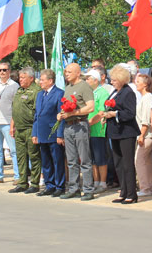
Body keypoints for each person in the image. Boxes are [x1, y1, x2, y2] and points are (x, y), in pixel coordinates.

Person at [102, 65, 140, 204]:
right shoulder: (114, 92)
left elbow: (130, 113)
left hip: (126, 132)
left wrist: (114, 114)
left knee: (127, 163)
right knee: (118, 162)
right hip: (115, 131)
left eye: (114, 80)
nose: (112, 82)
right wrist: (105, 114)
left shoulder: (128, 92)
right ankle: (123, 191)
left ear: (121, 79)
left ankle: (131, 193)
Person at [58, 63, 95, 200]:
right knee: (71, 159)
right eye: (66, 72)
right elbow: (65, 108)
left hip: (80, 125)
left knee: (84, 159)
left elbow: (90, 107)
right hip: (68, 125)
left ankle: (88, 189)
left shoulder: (84, 86)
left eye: (69, 72)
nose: (66, 74)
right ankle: (73, 188)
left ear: (77, 73)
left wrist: (74, 112)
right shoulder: (68, 88)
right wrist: (61, 114)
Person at [31, 69, 65, 196]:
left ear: (50, 81)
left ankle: (59, 186)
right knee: (45, 161)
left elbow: (61, 116)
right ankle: (49, 185)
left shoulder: (59, 93)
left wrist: (60, 134)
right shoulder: (40, 94)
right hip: (42, 132)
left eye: (43, 80)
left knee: (57, 160)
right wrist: (35, 133)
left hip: (53, 132)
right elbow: (37, 116)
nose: (40, 82)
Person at [9, 67, 41, 193]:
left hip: (30, 128)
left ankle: (34, 183)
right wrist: (12, 125)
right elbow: (15, 109)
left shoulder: (36, 91)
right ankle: (22, 182)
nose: (20, 80)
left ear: (31, 78)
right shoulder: (19, 90)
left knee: (34, 156)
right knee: (20, 157)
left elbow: (37, 112)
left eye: (23, 77)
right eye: (20, 77)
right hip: (19, 129)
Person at [86, 67, 109, 193]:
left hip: (98, 130)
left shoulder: (102, 92)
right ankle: (95, 181)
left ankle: (103, 182)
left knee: (100, 157)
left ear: (96, 80)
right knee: (92, 158)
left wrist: (90, 122)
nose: (87, 80)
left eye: (88, 78)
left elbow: (101, 112)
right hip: (89, 130)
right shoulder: (89, 92)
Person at [134, 72, 152, 197]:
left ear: (145, 84)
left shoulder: (147, 98)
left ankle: (145, 187)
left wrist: (141, 135)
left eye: (138, 82)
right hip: (146, 134)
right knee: (147, 160)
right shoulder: (144, 98)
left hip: (146, 134)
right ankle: (151, 187)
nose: (136, 84)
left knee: (139, 159)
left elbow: (145, 119)